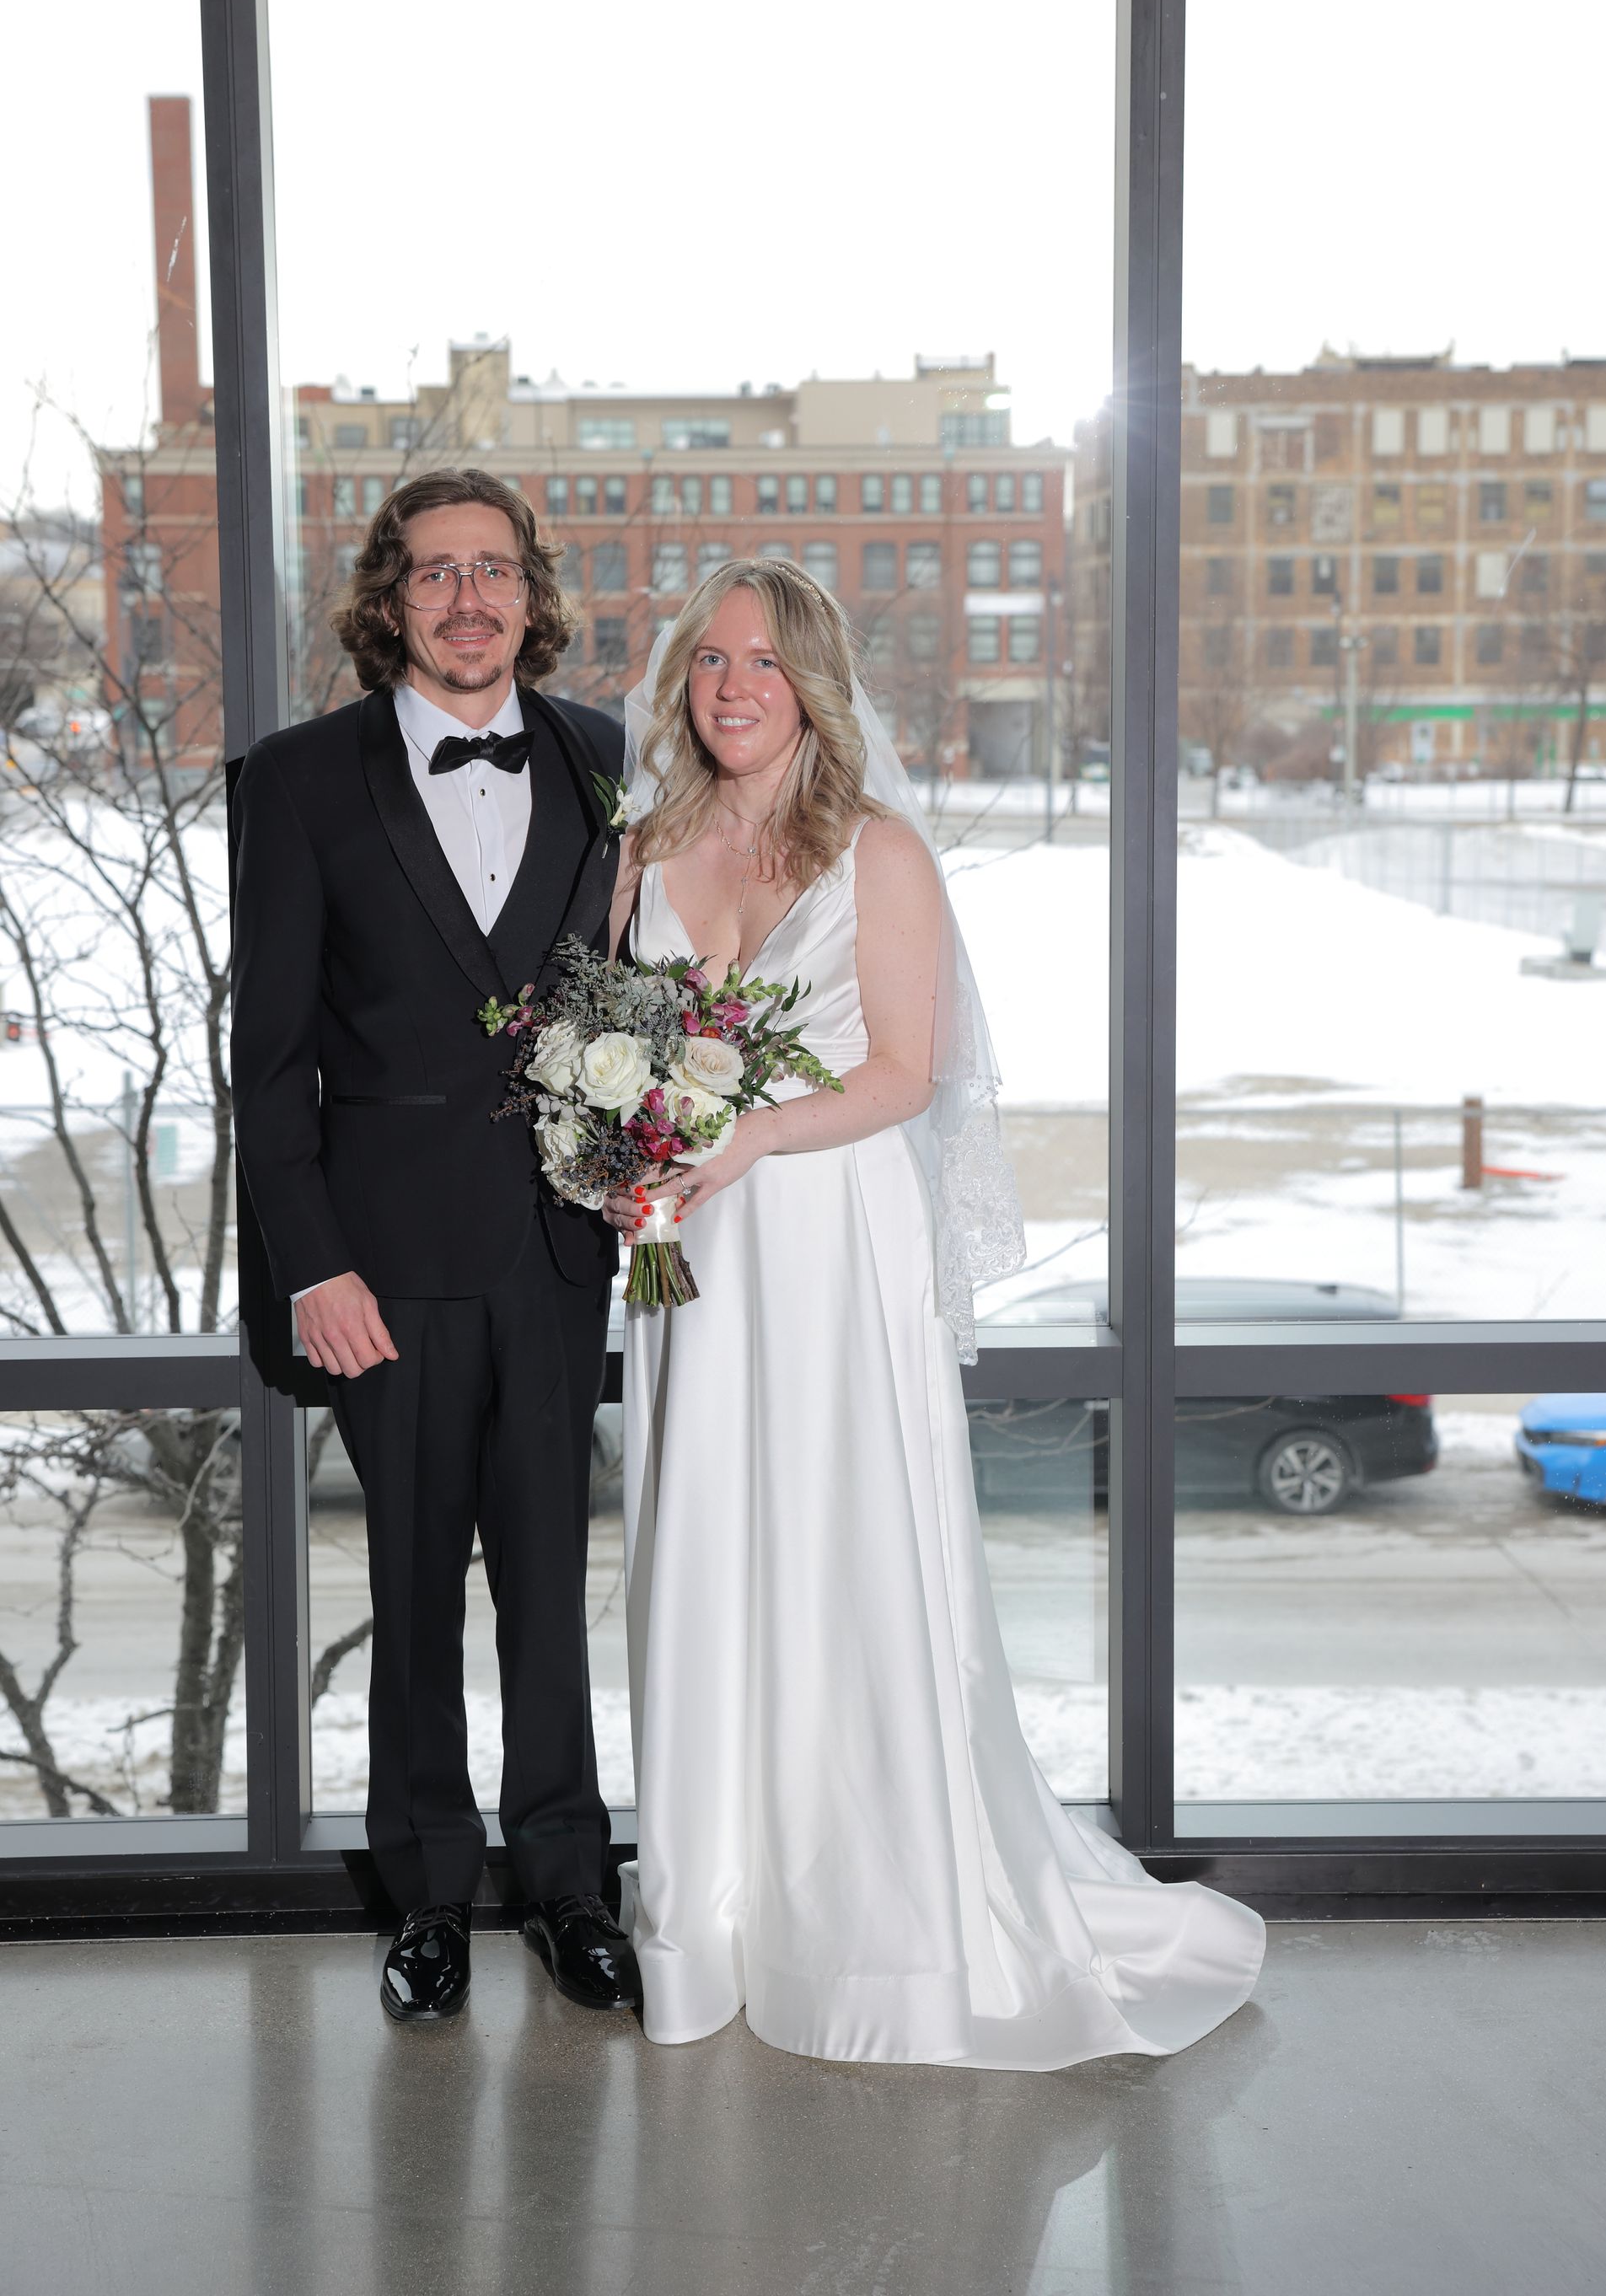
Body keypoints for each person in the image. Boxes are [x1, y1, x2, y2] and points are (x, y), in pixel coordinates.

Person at [605, 560, 1265, 2068]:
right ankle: (713, 1908)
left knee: (847, 1546)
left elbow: (905, 1071)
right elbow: (618, 1049)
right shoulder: (640, 854)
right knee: (704, 1548)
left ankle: (886, 1921)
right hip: (696, 1266)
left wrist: (755, 1132)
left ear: (813, 682)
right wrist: (621, 1152)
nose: (732, 686)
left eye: (763, 660)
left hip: (836, 1237)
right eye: (708, 660)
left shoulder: (878, 853)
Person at [231, 467, 641, 2025]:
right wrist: (310, 1259)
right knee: (415, 1595)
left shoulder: (605, 758)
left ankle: (569, 1886)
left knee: (551, 1589)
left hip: (553, 1248)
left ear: (531, 594)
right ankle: (425, 1896)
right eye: (431, 574)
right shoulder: (296, 780)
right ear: (387, 601)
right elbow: (268, 1058)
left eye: (493, 570)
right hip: (379, 1270)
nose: (466, 599)